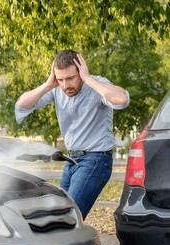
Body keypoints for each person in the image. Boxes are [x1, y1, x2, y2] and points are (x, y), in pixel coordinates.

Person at [15, 50, 130, 220]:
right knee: (59, 218)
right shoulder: (57, 89)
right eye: (60, 79)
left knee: (68, 219)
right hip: (71, 161)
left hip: (95, 160)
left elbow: (122, 99)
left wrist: (88, 79)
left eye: (70, 78)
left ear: (81, 72)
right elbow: (21, 105)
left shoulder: (97, 85)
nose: (65, 85)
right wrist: (48, 85)